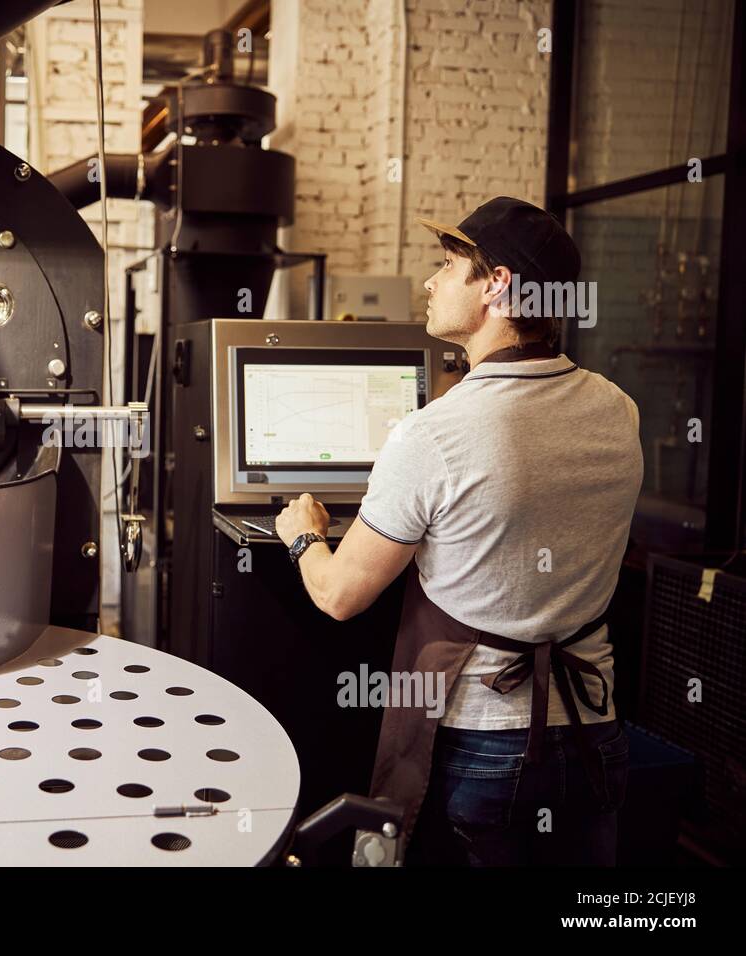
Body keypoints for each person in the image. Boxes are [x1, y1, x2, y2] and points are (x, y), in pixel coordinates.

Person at [274, 197, 643, 865]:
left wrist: (305, 535)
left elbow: (339, 596)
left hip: (489, 745)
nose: (430, 282)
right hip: (598, 732)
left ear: (497, 286)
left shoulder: (434, 433)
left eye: (448, 266)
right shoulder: (619, 409)